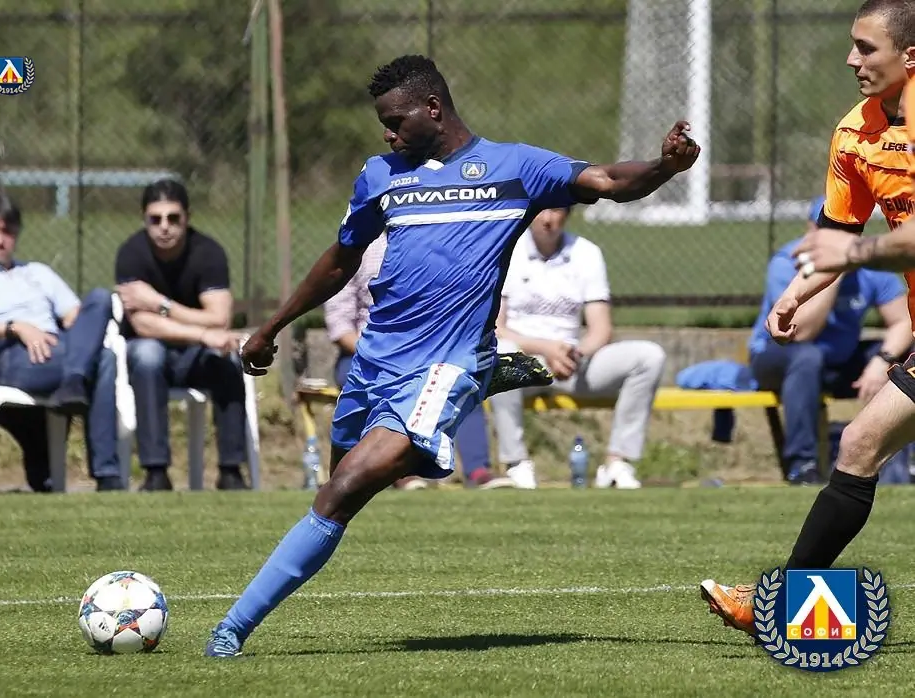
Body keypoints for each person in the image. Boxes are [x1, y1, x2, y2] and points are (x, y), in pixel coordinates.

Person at [204, 54, 699, 656]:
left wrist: (664, 167)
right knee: (342, 486)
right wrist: (273, 326)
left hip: (444, 365)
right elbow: (340, 261)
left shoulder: (516, 168)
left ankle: (231, 629)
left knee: (340, 492)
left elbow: (610, 181)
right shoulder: (381, 176)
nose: (387, 135)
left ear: (433, 108)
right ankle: (482, 381)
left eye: (395, 121)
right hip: (377, 360)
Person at [700, 0, 915, 635]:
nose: (852, 59)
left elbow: (860, 248)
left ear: (909, 57)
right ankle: (785, 609)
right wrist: (795, 293)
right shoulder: (855, 134)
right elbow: (837, 232)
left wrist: (855, 255)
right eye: (852, 44)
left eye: (866, 48)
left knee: (860, 443)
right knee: (860, 444)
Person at [0, 189, 122, 491]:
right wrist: (15, 328)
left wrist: (76, 338)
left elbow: (78, 318)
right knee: (105, 361)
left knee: (101, 300)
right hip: (13, 356)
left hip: (60, 349)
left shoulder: (38, 273)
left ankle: (76, 384)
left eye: (8, 231)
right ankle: (107, 471)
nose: (0, 240)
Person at [489, 206, 666, 489]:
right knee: (499, 353)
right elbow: (497, 328)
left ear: (568, 213)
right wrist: (546, 349)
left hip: (572, 363)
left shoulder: (586, 253)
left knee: (649, 357)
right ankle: (516, 465)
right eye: (542, 210)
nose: (548, 219)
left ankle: (617, 463)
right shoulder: (508, 250)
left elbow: (601, 329)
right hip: (526, 362)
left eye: (556, 210)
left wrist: (576, 353)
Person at [323, 234, 513, 489]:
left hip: (424, 352)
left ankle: (478, 470)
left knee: (462, 380)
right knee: (387, 390)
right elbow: (340, 328)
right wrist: (381, 356)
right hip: (363, 356)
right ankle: (397, 473)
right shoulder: (359, 248)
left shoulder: (434, 243)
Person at [747, 197, 912, 484]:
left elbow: (903, 321)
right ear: (811, 231)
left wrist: (881, 361)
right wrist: (833, 273)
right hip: (779, 358)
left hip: (838, 359)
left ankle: (904, 467)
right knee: (807, 358)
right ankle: (803, 466)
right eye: (828, 229)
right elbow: (801, 332)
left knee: (906, 358)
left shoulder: (867, 265)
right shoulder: (788, 261)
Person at [114, 180, 250, 492]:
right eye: (155, 219)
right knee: (147, 355)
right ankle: (156, 472)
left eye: (173, 218)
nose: (164, 227)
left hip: (196, 356)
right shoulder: (131, 254)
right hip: (152, 351)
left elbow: (220, 318)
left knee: (227, 359)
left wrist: (159, 304)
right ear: (144, 219)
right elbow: (143, 326)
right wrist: (203, 333)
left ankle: (231, 471)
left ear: (187, 217)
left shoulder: (208, 252)